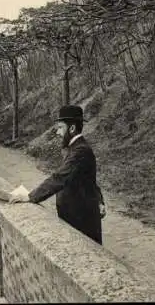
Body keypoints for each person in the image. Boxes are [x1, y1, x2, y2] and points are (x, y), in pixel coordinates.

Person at [9, 105, 106, 245]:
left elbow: (60, 177)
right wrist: (100, 200)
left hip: (82, 219)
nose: (58, 132)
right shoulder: (75, 149)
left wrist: (30, 197)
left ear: (71, 129)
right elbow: (88, 179)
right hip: (76, 216)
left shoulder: (81, 151)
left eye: (61, 128)